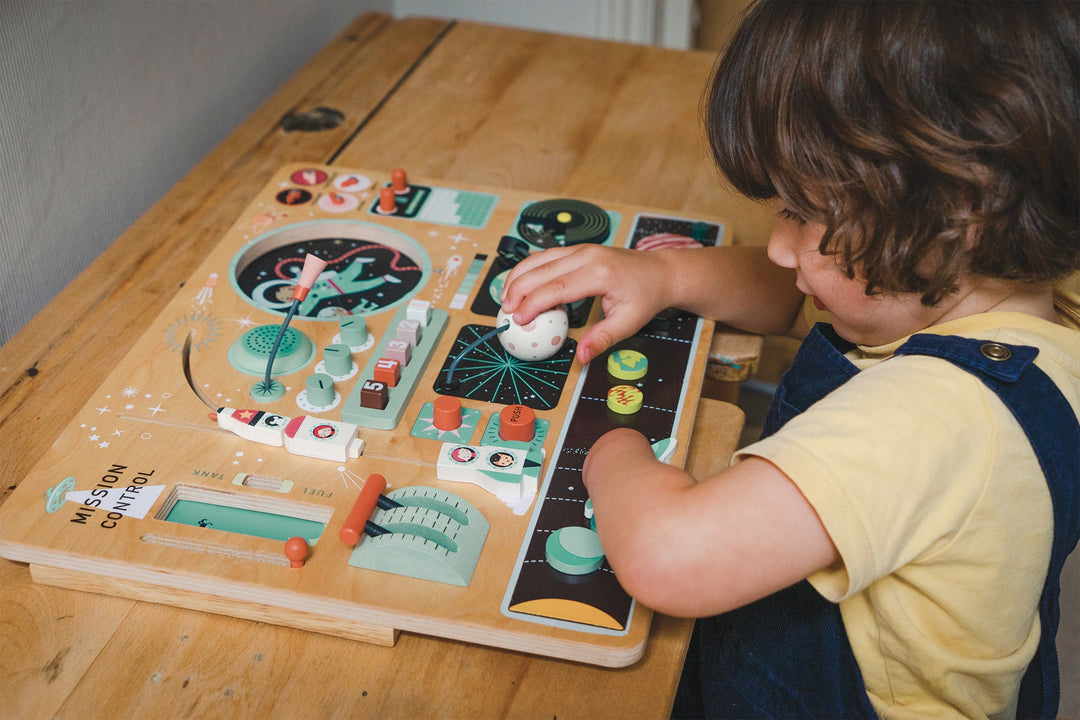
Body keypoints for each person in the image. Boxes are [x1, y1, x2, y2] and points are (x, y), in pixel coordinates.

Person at [499, 2, 1079, 718]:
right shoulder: (1015, 296)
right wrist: (666, 278)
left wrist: (609, 450)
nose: (777, 247)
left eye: (800, 213)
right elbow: (795, 294)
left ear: (957, 217)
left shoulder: (941, 415)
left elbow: (671, 557)